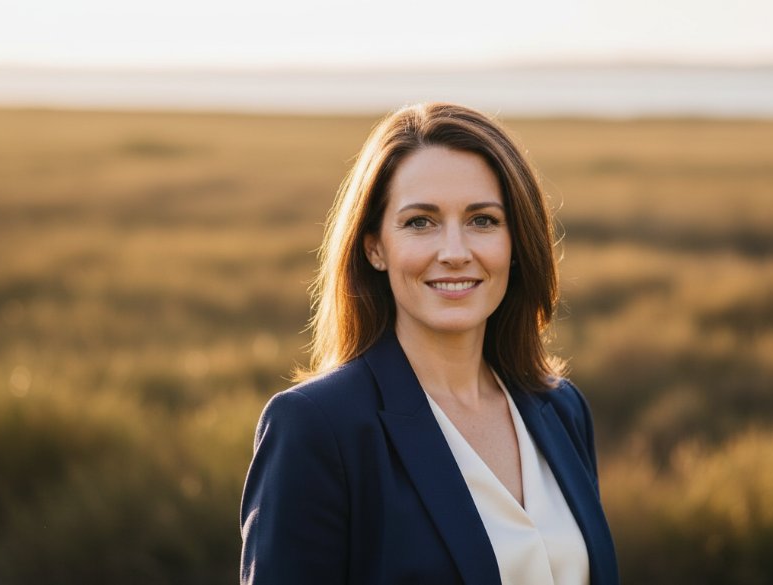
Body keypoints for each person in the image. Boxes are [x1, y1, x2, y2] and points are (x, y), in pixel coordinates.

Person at [240, 102, 619, 585]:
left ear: (516, 241)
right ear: (375, 246)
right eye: (421, 222)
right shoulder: (317, 428)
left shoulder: (561, 408)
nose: (456, 253)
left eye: (483, 221)